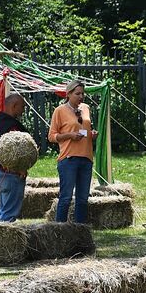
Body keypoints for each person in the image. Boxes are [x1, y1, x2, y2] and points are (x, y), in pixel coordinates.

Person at [48, 82, 95, 223]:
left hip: (86, 158)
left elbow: (84, 130)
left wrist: (91, 134)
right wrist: (69, 136)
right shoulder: (60, 111)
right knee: (66, 198)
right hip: (68, 159)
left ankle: (80, 233)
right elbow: (51, 136)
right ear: (68, 94)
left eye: (82, 93)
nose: (81, 96)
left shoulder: (86, 108)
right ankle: (60, 231)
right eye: (77, 94)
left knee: (82, 200)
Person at [0, 94, 28, 222]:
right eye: (22, 106)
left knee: (3, 209)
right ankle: (4, 238)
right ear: (14, 106)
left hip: (1, 173)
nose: (23, 110)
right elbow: (12, 153)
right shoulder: (11, 127)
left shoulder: (0, 124)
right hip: (10, 174)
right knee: (9, 213)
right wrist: (19, 169)